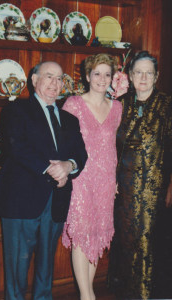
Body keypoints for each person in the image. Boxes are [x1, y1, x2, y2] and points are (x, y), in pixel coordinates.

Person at [0, 61, 88, 300]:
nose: (55, 84)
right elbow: (16, 147)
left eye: (59, 78)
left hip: (55, 202)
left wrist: (68, 166)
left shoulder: (69, 119)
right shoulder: (15, 110)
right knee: (17, 272)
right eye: (48, 77)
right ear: (34, 80)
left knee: (46, 270)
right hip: (21, 200)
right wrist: (50, 169)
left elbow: (81, 154)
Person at [108, 51, 172, 300]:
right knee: (126, 243)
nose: (143, 77)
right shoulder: (120, 104)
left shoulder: (168, 105)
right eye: (138, 72)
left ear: (156, 77)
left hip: (157, 192)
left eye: (149, 73)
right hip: (123, 190)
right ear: (130, 76)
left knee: (152, 244)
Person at [62, 53, 122, 300]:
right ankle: (88, 296)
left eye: (107, 74)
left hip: (107, 180)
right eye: (97, 73)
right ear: (87, 76)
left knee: (97, 234)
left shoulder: (117, 107)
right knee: (81, 233)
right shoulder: (73, 104)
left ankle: (87, 293)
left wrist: (116, 179)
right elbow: (63, 143)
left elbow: (116, 146)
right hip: (81, 180)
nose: (102, 79)